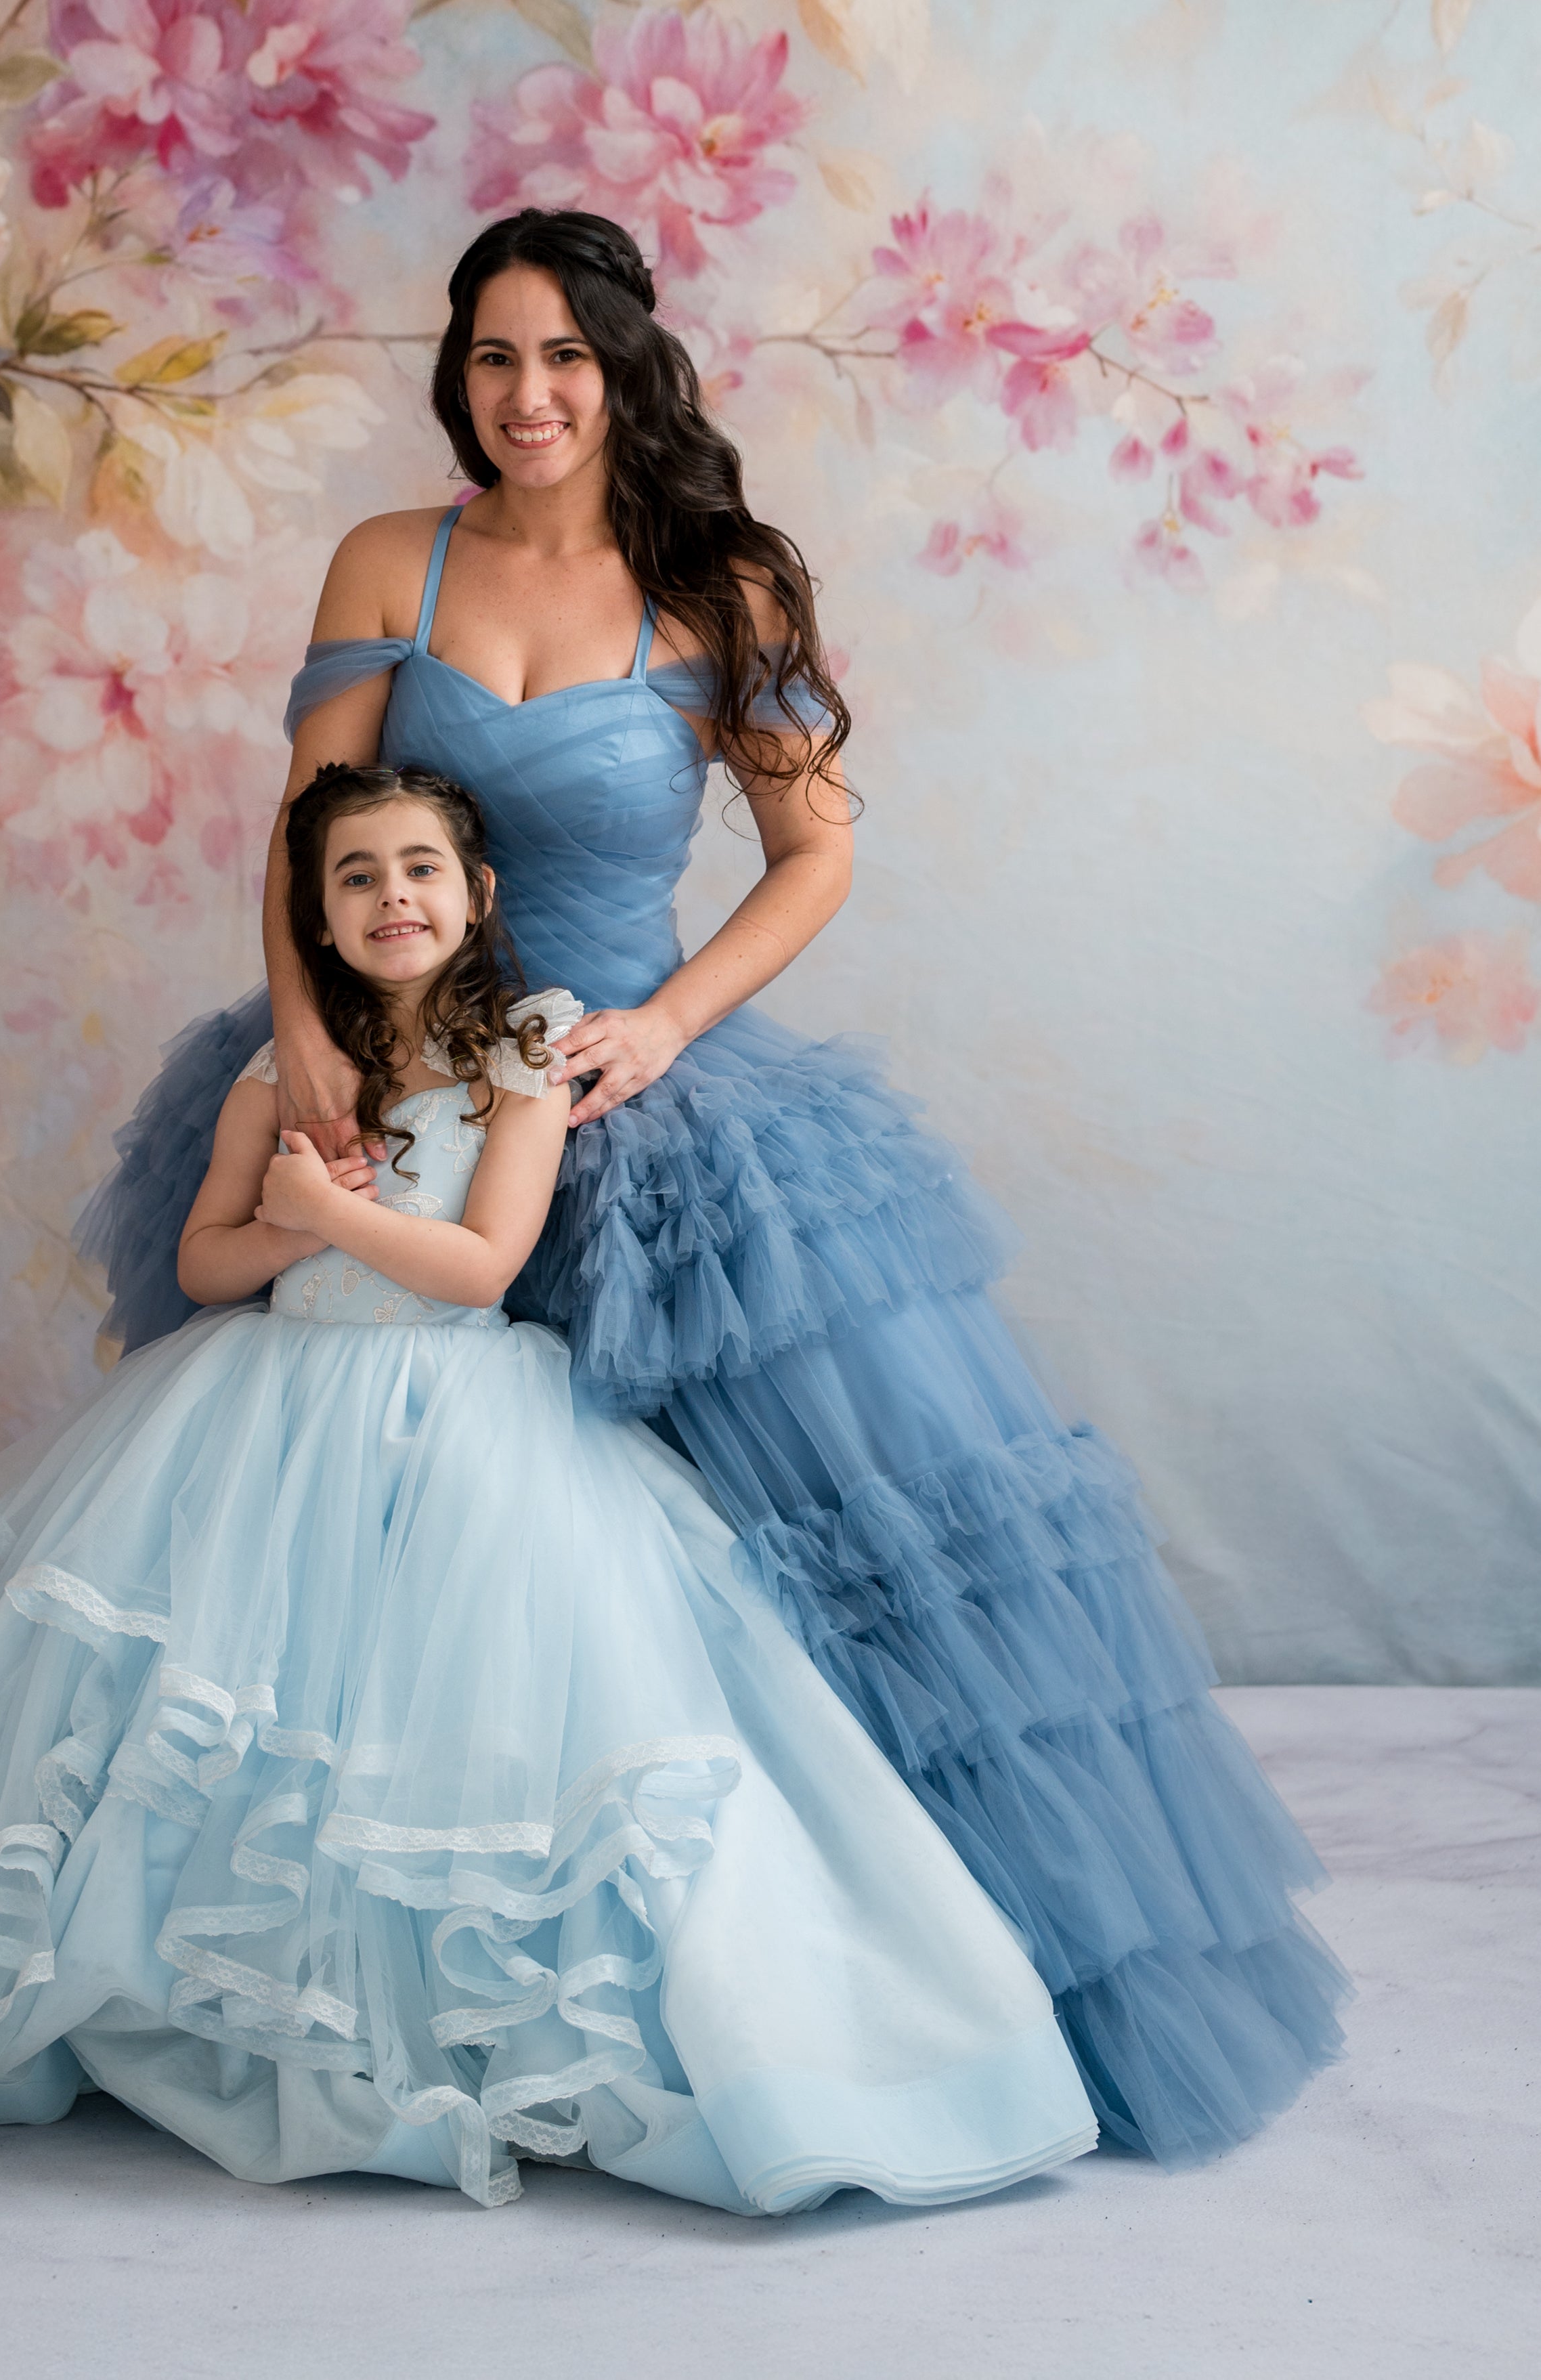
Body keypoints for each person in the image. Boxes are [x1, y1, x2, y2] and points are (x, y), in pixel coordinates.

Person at [80, 207, 1349, 2169]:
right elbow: (307, 826)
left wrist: (663, 1024)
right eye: (492, 357)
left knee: (762, 1557)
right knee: (378, 1533)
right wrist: (308, 1038)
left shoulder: (716, 581)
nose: (526, 396)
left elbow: (811, 853)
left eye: (561, 357)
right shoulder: (384, 560)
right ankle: (401, 1976)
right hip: (404, 1072)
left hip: (623, 1090)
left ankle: (818, 1986)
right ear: (457, 374)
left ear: (624, 365)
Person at [0, 760, 1100, 2213]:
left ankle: (477, 2020)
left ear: (478, 892)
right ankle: (166, 1982)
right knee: (232, 1704)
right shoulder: (282, 1074)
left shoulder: (523, 1055)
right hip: (270, 1410)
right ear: (312, 917)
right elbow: (201, 1265)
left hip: (469, 1414)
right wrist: (282, 1225)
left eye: (422, 869)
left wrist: (327, 1217)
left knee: (461, 1718)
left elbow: (486, 1267)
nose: (394, 898)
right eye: (357, 877)